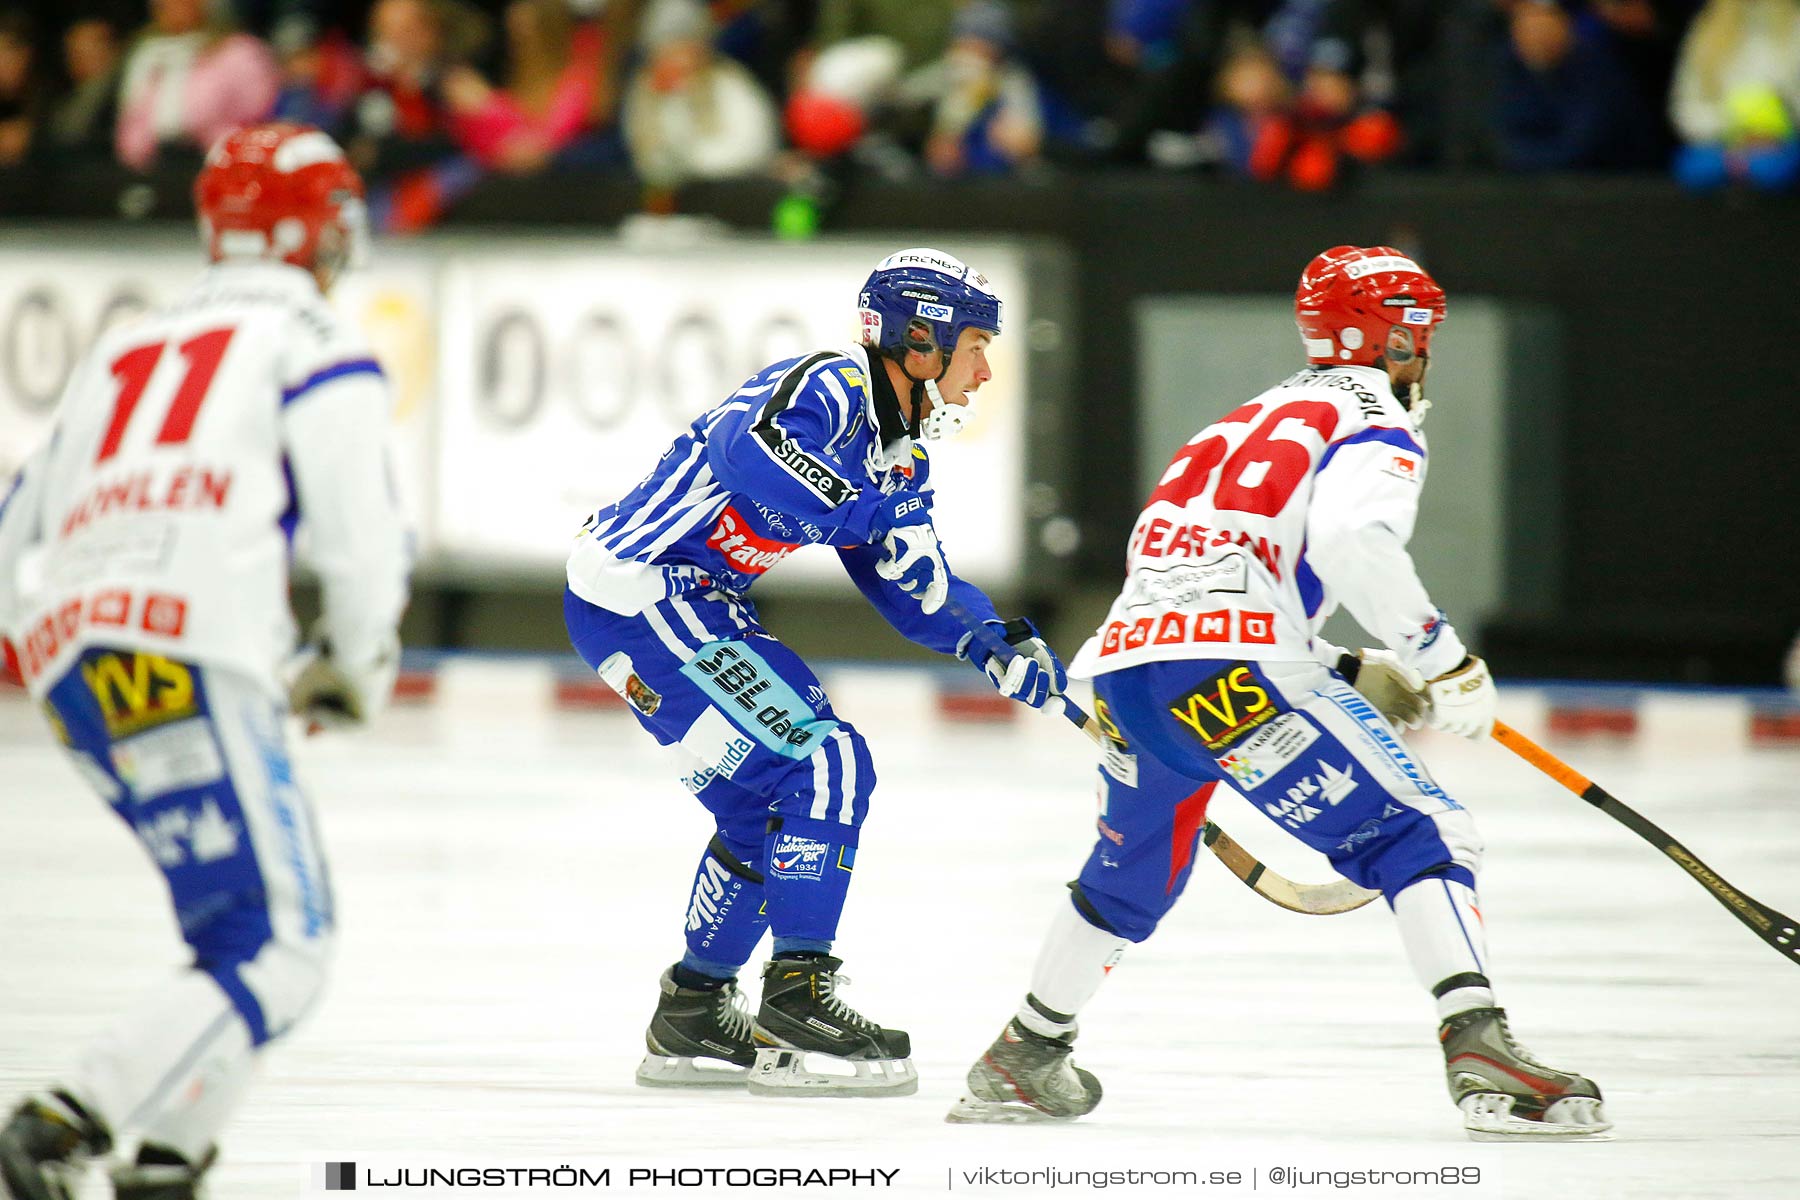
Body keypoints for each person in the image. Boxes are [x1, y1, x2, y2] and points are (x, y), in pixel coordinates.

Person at [948, 246, 1612, 1142]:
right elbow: (1350, 541)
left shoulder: (1244, 418)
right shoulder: (1379, 418)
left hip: (1128, 676)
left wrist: (1336, 665)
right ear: (1400, 338)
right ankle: (1479, 1043)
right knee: (1424, 834)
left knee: (1135, 863)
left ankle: (1025, 1052)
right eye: (1421, 337)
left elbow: (1195, 567)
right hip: (1233, 672)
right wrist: (1441, 658)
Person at [0, 122, 411, 1198]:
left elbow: (13, 524)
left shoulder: (127, 341)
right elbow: (361, 542)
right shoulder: (318, 338)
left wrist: (48, 649)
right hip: (190, 644)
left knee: (235, 931)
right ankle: (66, 1120)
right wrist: (353, 667)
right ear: (316, 228)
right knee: (284, 947)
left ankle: (169, 1164)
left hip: (72, 662)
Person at [564, 248, 1068, 1098]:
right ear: (920, 340)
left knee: (767, 802)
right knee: (823, 761)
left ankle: (692, 1009)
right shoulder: (830, 385)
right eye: (976, 346)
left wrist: (994, 643)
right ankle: (797, 992)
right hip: (645, 586)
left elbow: (915, 586)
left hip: (682, 601)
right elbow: (744, 451)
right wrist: (867, 510)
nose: (985, 373)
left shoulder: (903, 454)